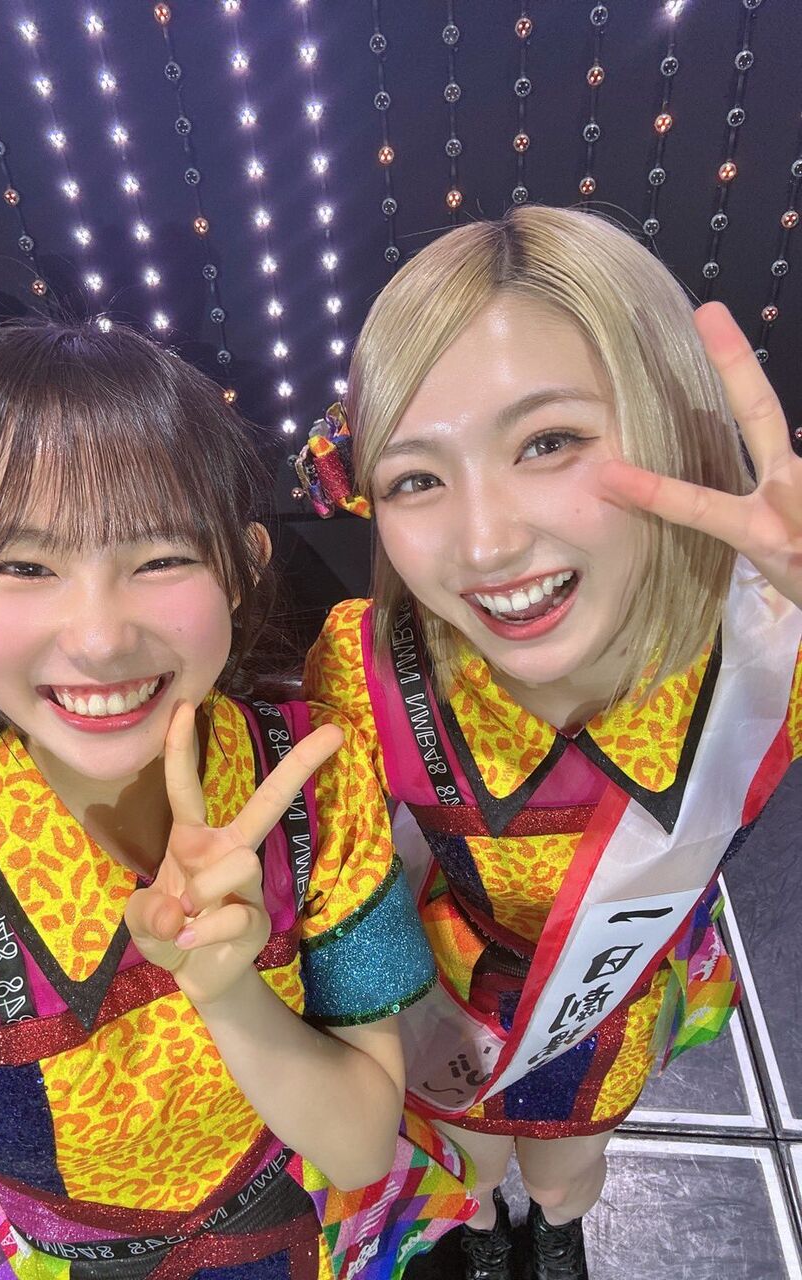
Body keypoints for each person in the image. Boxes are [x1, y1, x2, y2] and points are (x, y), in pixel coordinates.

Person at [0, 322, 475, 1278]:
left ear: (243, 563)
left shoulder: (314, 780)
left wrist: (228, 991)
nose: (99, 638)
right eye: (23, 566)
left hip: (295, 1235)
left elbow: (356, 1149)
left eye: (161, 558)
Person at [300, 204, 802, 1280]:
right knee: (471, 1171)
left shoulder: (774, 647)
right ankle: (485, 1235)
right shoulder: (362, 664)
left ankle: (560, 1232)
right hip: (449, 1008)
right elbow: (346, 887)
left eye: (549, 442)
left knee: (571, 1172)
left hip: (609, 1003)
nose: (487, 541)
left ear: (669, 422)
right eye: (417, 476)